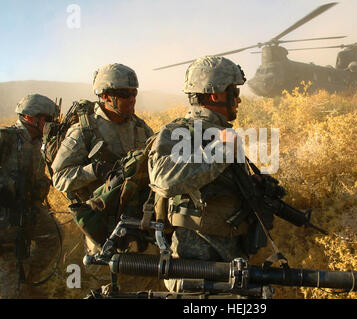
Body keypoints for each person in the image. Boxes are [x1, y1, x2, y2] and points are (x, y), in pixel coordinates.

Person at [147, 56, 257, 293]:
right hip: (195, 265)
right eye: (234, 91)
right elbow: (163, 179)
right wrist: (221, 152)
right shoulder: (179, 131)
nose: (238, 99)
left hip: (230, 258)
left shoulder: (222, 133)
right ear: (216, 94)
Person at [51, 63, 153, 254]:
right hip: (101, 221)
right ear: (106, 96)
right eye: (124, 94)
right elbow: (60, 178)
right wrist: (94, 170)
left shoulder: (140, 128)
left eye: (134, 93)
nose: (131, 99)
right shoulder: (84, 131)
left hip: (137, 218)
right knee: (103, 275)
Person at [0, 94, 60, 298]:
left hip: (30, 208)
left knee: (54, 235)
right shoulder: (6, 137)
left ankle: (27, 278)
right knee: (11, 258)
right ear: (30, 117)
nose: (50, 125)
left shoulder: (39, 143)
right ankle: (17, 284)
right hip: (6, 215)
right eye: (47, 119)